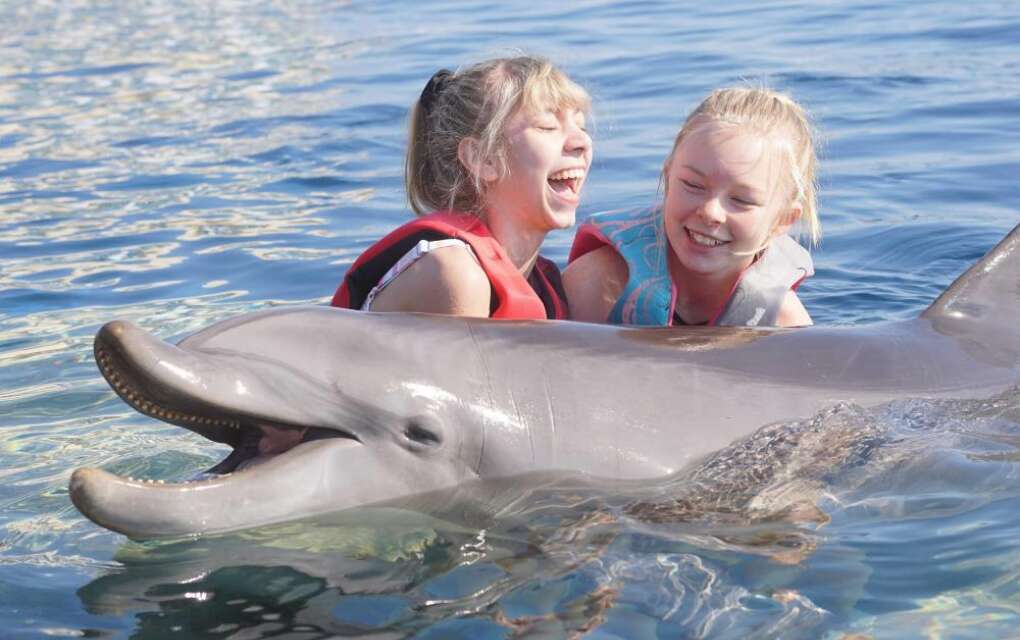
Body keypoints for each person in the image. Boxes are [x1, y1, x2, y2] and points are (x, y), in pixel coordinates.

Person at [331, 55, 592, 319]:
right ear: (483, 159)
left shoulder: (546, 285)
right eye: (547, 126)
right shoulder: (455, 272)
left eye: (581, 126)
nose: (581, 141)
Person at [564, 86, 820, 328]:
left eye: (742, 200)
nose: (710, 212)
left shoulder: (781, 320)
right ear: (668, 180)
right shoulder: (599, 284)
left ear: (782, 221)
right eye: (693, 185)